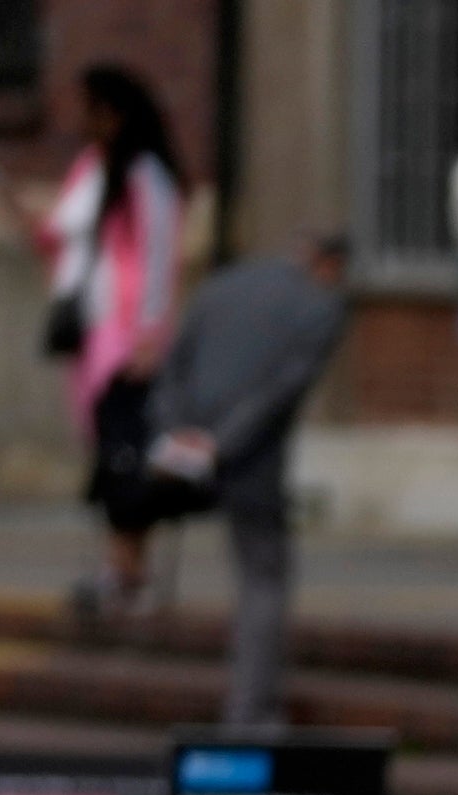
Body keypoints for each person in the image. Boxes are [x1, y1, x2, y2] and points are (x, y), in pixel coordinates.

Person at [0, 64, 183, 620]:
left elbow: (157, 257)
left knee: (124, 455)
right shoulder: (89, 169)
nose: (84, 121)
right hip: (86, 329)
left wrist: (149, 334)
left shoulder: (146, 176)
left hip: (123, 337)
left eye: (94, 110)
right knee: (107, 454)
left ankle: (128, 571)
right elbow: (61, 239)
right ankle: (120, 569)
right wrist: (19, 215)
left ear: (117, 114)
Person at [147, 234, 352, 728]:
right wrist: (219, 444)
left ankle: (246, 706)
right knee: (264, 581)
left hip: (187, 440)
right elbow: (281, 391)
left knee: (250, 576)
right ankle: (251, 710)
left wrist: (178, 435)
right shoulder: (321, 305)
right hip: (250, 458)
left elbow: (175, 364)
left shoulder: (221, 286)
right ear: (329, 264)